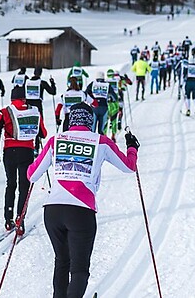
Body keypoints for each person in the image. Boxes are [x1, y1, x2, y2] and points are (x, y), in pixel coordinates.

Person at [27, 103, 139, 298]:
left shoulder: (56, 140)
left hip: (53, 211)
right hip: (81, 211)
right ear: (91, 121)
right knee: (79, 269)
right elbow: (129, 167)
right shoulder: (100, 141)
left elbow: (32, 175)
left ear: (71, 120)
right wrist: (132, 148)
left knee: (62, 261)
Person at [0, 84, 47, 234]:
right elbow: (43, 133)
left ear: (12, 98)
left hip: (9, 152)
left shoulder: (5, 112)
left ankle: (8, 219)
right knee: (24, 186)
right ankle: (20, 219)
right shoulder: (34, 111)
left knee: (11, 184)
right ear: (24, 98)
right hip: (27, 152)